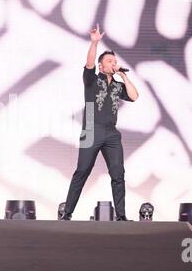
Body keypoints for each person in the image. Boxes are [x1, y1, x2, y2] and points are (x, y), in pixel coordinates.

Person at [59, 24, 139, 221]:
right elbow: (89, 63)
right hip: (91, 130)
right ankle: (67, 213)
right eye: (109, 61)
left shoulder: (119, 86)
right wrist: (94, 43)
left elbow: (135, 96)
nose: (113, 63)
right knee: (82, 171)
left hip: (111, 133)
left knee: (118, 174)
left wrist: (123, 75)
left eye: (115, 61)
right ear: (101, 66)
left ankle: (121, 216)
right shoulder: (92, 80)